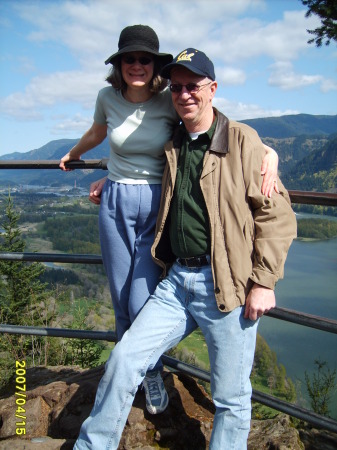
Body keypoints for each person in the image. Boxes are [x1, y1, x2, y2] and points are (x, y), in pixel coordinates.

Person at [73, 48, 296, 450]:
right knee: (125, 360)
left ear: (212, 89)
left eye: (193, 85)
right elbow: (139, 161)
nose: (184, 94)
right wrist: (114, 183)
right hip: (176, 284)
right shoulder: (174, 139)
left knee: (230, 398)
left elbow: (278, 218)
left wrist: (263, 281)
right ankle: (92, 446)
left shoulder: (243, 141)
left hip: (226, 288)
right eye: (176, 87)